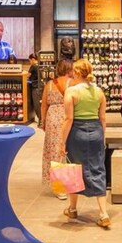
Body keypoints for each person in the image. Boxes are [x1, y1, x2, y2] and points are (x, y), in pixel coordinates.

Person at [61, 59, 111, 228]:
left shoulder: (71, 92)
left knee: (73, 169)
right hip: (96, 131)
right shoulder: (99, 91)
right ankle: (103, 213)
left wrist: (62, 142)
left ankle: (73, 209)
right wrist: (102, 137)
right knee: (98, 169)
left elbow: (68, 119)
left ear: (76, 72)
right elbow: (103, 118)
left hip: (77, 132)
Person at [40, 58, 73, 199]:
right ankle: (67, 185)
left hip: (52, 117)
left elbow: (43, 104)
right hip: (66, 117)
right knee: (66, 150)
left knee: (54, 152)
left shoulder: (49, 84)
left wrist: (43, 121)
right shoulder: (72, 83)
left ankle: (59, 187)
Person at [27, 53, 41, 125]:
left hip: (35, 87)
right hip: (40, 87)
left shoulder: (33, 66)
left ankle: (41, 120)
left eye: (29, 60)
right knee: (39, 104)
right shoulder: (40, 65)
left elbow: (27, 76)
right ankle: (41, 119)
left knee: (36, 105)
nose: (29, 62)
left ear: (33, 59)